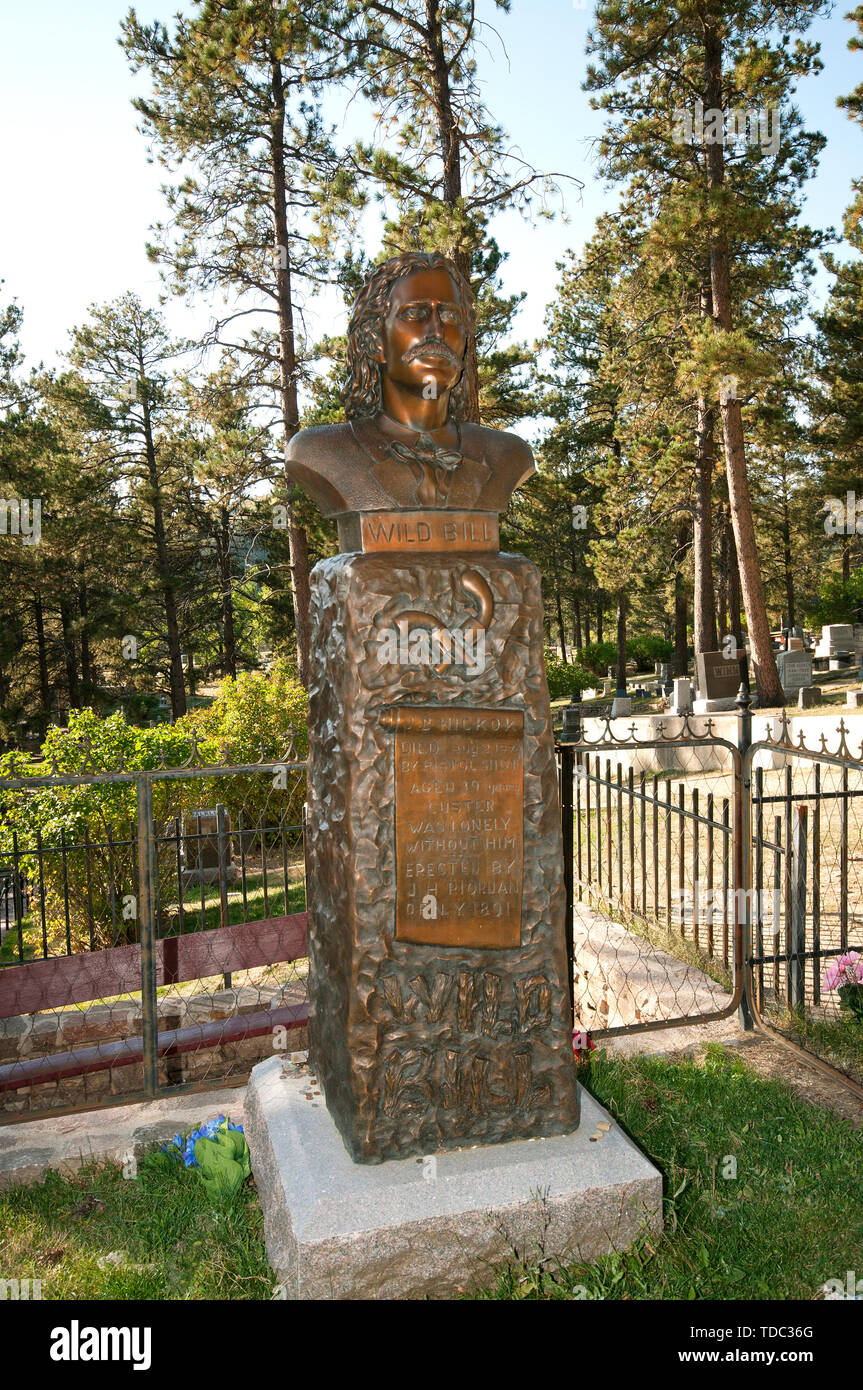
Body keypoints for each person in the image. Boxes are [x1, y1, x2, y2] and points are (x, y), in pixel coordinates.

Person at [285, 251, 535, 541]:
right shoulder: (320, 452)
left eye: (450, 316)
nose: (437, 331)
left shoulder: (507, 455)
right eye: (415, 314)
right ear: (375, 340)